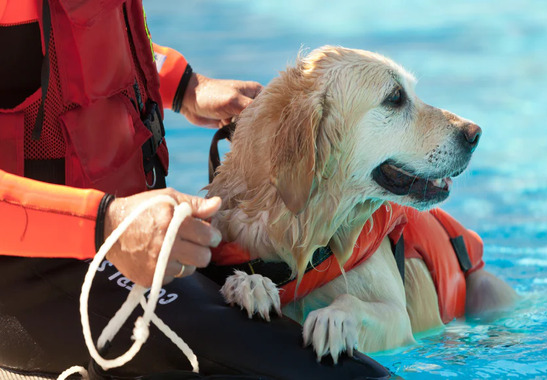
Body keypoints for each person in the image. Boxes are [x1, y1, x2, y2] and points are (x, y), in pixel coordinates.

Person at [0, 1, 391, 379]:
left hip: (108, 239)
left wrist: (184, 86)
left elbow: (75, 40)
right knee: (341, 374)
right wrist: (105, 222)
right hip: (29, 269)